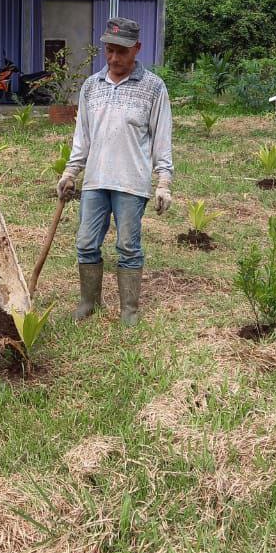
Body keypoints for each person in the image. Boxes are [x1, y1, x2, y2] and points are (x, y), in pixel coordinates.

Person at [56, 17, 173, 327]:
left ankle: (129, 311)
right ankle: (88, 302)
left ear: (137, 48)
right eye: (108, 51)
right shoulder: (91, 87)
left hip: (131, 183)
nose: (113, 59)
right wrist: (70, 172)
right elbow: (83, 137)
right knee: (85, 243)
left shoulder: (153, 87)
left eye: (121, 52)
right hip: (95, 180)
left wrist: (163, 181)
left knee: (128, 247)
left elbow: (162, 137)